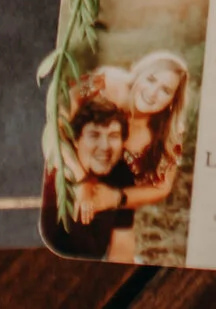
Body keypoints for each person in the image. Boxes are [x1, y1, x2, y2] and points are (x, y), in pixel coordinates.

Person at [87, 49, 190, 261]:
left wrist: (117, 198)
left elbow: (162, 187)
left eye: (165, 90)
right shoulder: (109, 83)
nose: (153, 93)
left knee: (120, 247)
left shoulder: (170, 133)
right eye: (151, 79)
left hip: (113, 201)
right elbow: (64, 105)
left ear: (172, 100)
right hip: (71, 175)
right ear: (138, 74)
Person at [40, 91, 136, 261]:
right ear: (76, 140)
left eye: (113, 136)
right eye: (94, 135)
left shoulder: (122, 174)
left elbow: (122, 245)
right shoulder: (58, 170)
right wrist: (82, 181)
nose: (105, 146)